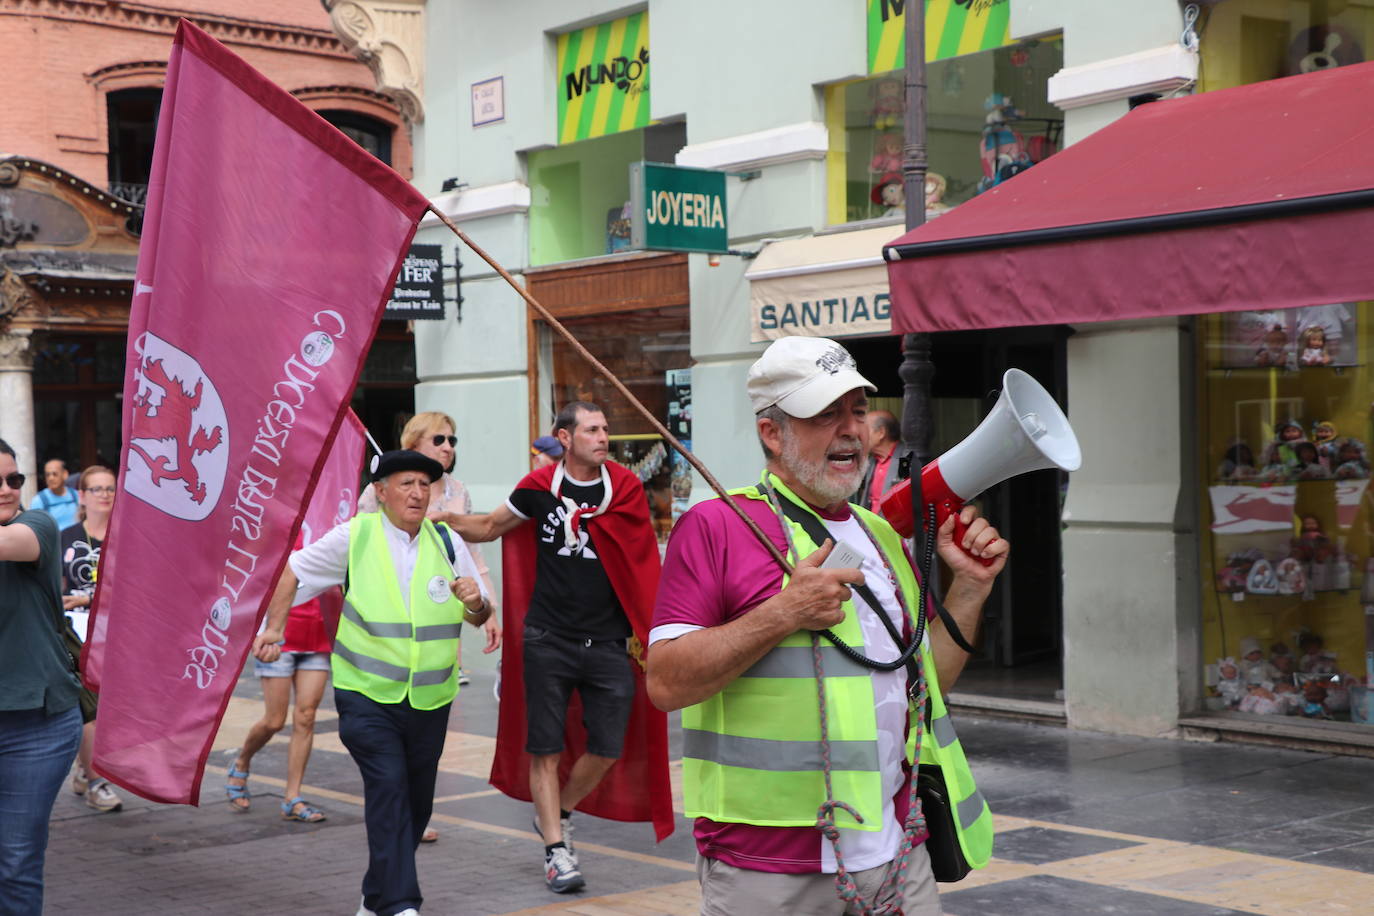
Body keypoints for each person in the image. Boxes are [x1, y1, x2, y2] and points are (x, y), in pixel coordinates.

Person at [646, 336, 1009, 916]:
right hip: (768, 868)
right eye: (825, 414)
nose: (850, 430)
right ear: (772, 432)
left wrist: (969, 588)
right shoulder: (717, 525)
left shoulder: (881, 534)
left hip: (898, 848)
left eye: (858, 411)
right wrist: (785, 612)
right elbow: (665, 682)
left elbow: (926, 682)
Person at [254, 449, 492, 916]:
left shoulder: (446, 541)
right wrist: (274, 630)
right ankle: (403, 904)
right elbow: (293, 571)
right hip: (366, 696)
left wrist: (477, 603)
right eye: (406, 484)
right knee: (388, 787)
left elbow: (478, 614)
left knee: (417, 806)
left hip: (430, 698)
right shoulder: (356, 536)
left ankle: (375, 896)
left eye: (425, 486)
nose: (418, 494)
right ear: (381, 493)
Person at [451, 401, 673, 894]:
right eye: (592, 429)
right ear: (565, 437)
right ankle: (556, 850)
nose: (603, 437)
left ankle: (560, 811)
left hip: (610, 643)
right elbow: (489, 527)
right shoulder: (537, 489)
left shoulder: (626, 489)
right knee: (545, 747)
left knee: (608, 746)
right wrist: (437, 520)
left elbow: (639, 561)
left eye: (606, 428)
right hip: (548, 638)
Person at [358, 411, 501, 844]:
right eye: (439, 438)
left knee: (428, 733)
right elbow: (362, 545)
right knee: (389, 735)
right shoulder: (377, 494)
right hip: (389, 636)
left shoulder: (457, 491)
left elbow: (469, 555)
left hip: (438, 629)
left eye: (453, 440)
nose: (448, 447)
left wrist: (488, 607)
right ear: (414, 443)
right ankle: (398, 809)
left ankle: (415, 807)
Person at [0, 438, 84, 913]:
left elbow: (9, 544)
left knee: (15, 861)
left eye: (14, 479)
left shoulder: (38, 525)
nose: (8, 490)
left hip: (36, 725)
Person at [224, 531, 332, 823]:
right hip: (279, 636)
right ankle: (242, 760)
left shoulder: (333, 519)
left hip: (318, 635)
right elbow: (249, 575)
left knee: (306, 716)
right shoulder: (278, 520)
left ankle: (292, 798)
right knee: (275, 720)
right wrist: (258, 629)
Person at [58, 465, 122, 813]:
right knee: (90, 710)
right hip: (77, 634)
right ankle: (99, 782)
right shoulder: (64, 537)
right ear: (81, 496)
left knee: (111, 712)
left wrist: (87, 598)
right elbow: (54, 587)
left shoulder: (127, 538)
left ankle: (85, 769)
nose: (104, 495)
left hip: (118, 633)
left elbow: (134, 591)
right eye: (96, 489)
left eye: (110, 488)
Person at [853, 409, 902, 512]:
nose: (859, 435)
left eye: (865, 430)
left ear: (881, 433)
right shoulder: (871, 461)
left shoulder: (906, 459)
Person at [34, 458, 79, 532]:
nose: (51, 478)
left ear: (65, 474)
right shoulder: (39, 501)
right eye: (47, 475)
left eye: (55, 474)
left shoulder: (76, 496)